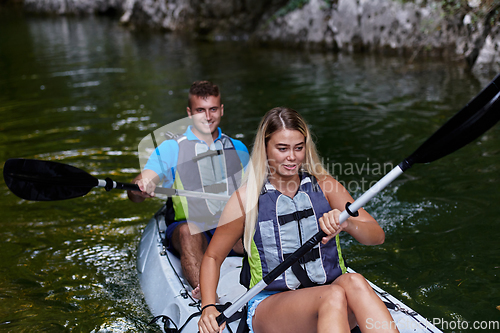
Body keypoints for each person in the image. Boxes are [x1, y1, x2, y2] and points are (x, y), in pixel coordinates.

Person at [198, 107, 400, 333]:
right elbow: (213, 257)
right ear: (265, 148)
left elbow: (377, 236)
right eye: (282, 148)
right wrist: (208, 307)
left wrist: (347, 223)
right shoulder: (246, 198)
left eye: (298, 148)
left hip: (329, 293)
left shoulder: (326, 186)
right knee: (332, 295)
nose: (292, 157)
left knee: (355, 282)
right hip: (272, 305)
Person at [128, 81, 249, 299]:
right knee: (188, 231)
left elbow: (253, 192)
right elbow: (140, 187)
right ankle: (206, 296)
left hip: (227, 228)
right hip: (192, 228)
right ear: (189, 113)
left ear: (221, 109)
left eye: (213, 109)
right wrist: (142, 187)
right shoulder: (171, 149)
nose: (208, 116)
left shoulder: (238, 149)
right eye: (200, 110)